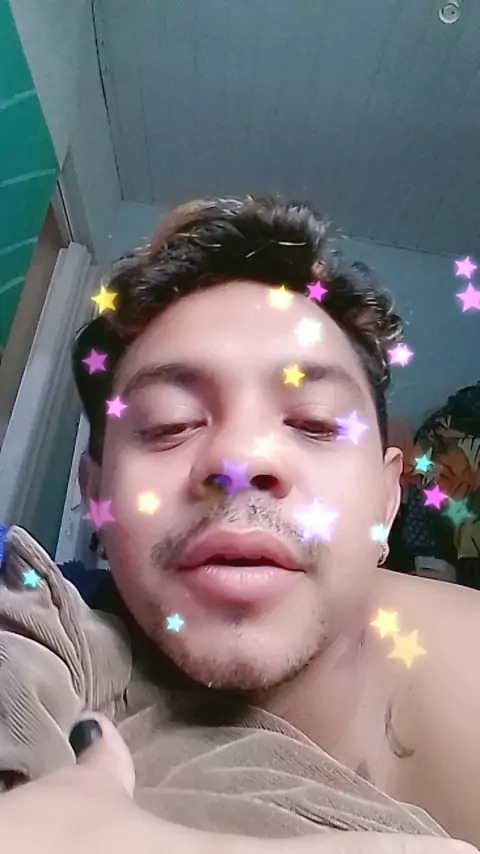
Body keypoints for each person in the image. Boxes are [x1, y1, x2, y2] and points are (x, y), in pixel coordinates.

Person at [0, 196, 479, 854]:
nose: (240, 459)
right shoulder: (51, 636)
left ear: (386, 500)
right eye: (169, 423)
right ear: (97, 495)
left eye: (314, 422)